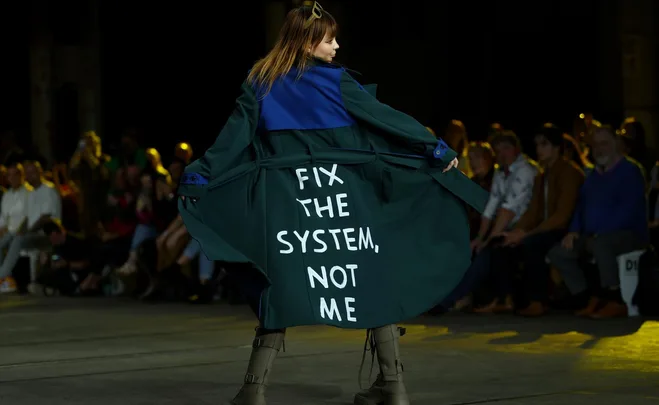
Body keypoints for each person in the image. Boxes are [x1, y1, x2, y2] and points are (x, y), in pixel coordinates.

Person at [177, 3, 488, 405]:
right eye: (329, 39)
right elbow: (385, 117)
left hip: (291, 205)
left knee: (283, 287)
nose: (337, 46)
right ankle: (394, 386)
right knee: (371, 280)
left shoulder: (260, 82)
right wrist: (433, 146)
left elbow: (232, 139)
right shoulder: (336, 83)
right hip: (344, 202)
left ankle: (254, 391)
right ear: (308, 42)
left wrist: (199, 175)